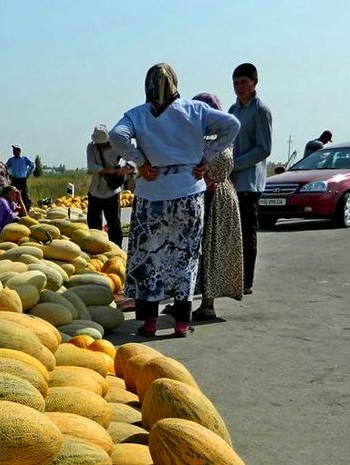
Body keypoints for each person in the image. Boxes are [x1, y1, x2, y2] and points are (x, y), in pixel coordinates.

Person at [109, 63, 240, 338]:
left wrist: (140, 161)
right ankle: (181, 322)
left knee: (149, 259)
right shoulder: (195, 110)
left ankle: (150, 323)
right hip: (188, 192)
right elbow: (232, 125)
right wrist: (207, 157)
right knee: (185, 257)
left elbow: (115, 136)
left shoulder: (138, 114)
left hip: (151, 194)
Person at [190, 92, 244, 322]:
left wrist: (205, 179)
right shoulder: (199, 136)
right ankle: (184, 299)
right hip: (204, 194)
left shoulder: (220, 138)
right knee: (192, 250)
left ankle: (208, 304)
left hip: (216, 198)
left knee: (211, 249)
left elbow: (219, 169)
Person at [228, 62, 273, 295]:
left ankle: (247, 280)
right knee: (232, 233)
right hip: (231, 181)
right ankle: (231, 276)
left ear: (255, 82)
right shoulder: (232, 111)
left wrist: (236, 164)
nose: (239, 87)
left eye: (244, 82)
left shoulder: (260, 111)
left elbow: (264, 148)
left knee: (247, 231)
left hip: (249, 182)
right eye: (235, 83)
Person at [86, 124, 131, 248]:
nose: (101, 145)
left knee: (114, 224)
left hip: (112, 192)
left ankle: (116, 249)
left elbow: (131, 159)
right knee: (93, 224)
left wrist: (124, 169)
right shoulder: (91, 147)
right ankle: (96, 248)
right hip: (95, 190)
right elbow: (91, 167)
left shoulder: (117, 146)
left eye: (103, 143)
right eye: (99, 143)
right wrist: (109, 171)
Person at [5, 145, 35, 211]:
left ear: (19, 151)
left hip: (22, 179)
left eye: (15, 150)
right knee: (14, 194)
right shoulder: (11, 160)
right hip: (15, 179)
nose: (14, 152)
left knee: (24, 194)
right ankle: (15, 209)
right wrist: (9, 175)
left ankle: (26, 209)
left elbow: (32, 165)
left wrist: (28, 173)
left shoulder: (24, 159)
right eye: (13, 150)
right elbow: (5, 167)